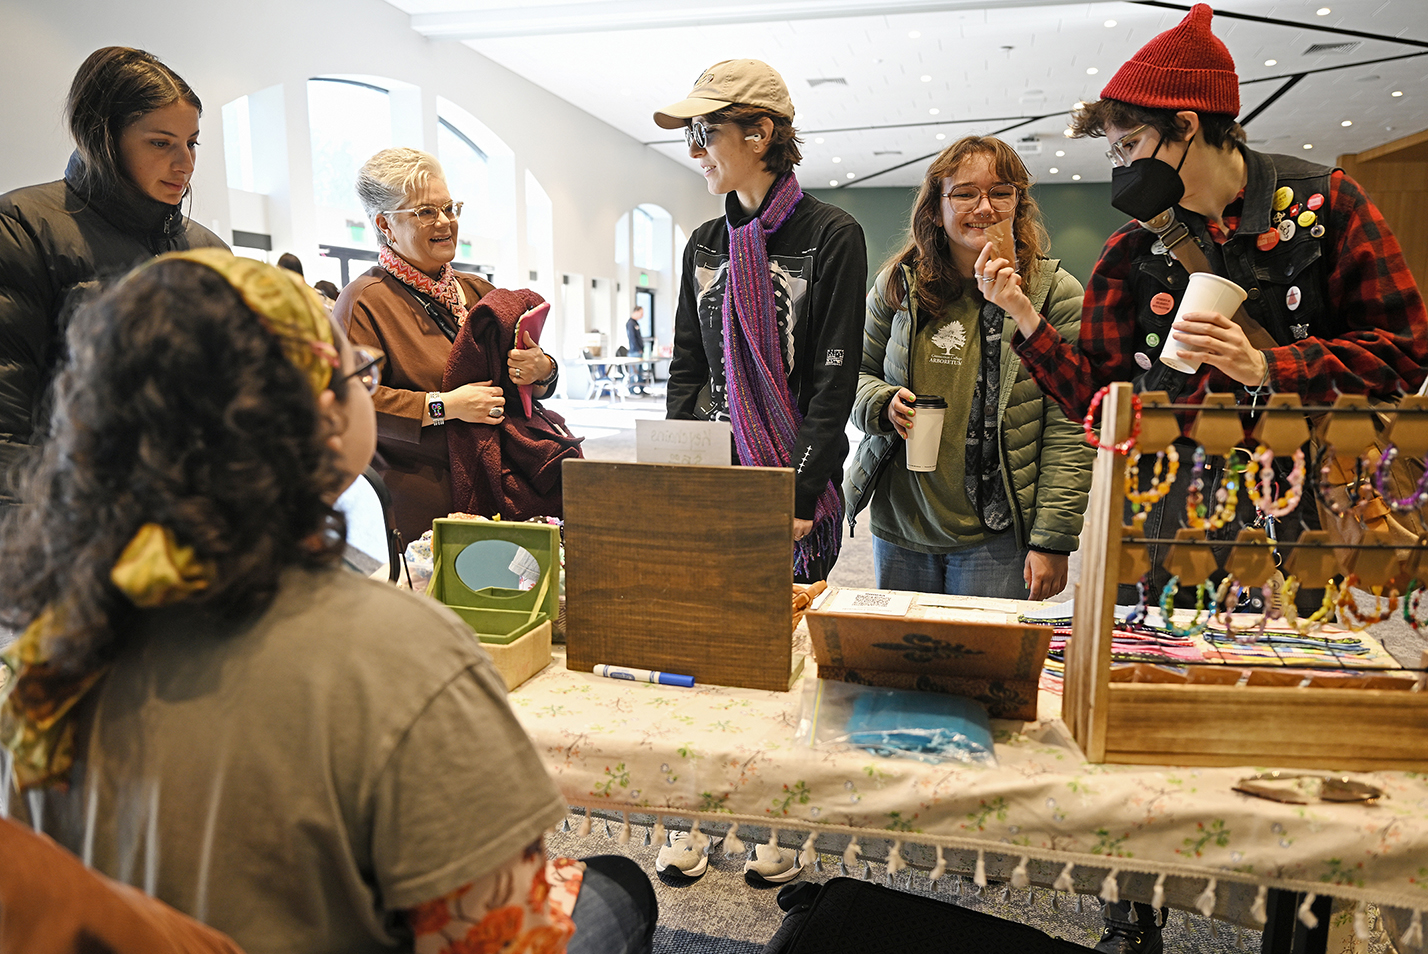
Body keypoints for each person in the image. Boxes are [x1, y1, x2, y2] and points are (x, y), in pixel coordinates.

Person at [0, 250, 655, 954]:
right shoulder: (401, 652)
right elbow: (508, 940)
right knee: (619, 887)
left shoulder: (50, 650)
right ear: (322, 415)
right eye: (360, 375)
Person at [999, 6, 1428, 951]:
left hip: (1299, 528)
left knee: (1288, 729)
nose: (1120, 166)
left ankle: (1297, 917)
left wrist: (1273, 369)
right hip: (1162, 525)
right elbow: (1101, 405)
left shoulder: (1327, 206)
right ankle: (1133, 916)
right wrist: (1027, 318)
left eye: (1130, 142)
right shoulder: (1130, 253)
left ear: (1189, 125)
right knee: (1142, 712)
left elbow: (1406, 351)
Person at [845, 137, 1092, 600]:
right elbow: (851, 375)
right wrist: (880, 404)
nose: (984, 207)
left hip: (996, 534)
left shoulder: (1053, 292)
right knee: (897, 663)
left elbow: (1070, 426)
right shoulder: (899, 283)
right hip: (902, 521)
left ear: (1018, 205)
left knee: (982, 666)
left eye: (1001, 192)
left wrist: (1052, 539)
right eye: (964, 193)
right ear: (936, 209)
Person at [657, 59, 867, 583]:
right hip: (713, 472)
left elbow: (832, 383)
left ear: (759, 134)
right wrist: (678, 465)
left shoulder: (832, 235)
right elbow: (687, 368)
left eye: (704, 132)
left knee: (779, 636)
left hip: (790, 472)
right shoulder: (705, 243)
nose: (693, 151)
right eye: (689, 135)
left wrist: (801, 491)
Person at [0, 46, 225, 508]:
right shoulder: (22, 228)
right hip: (73, 529)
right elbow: (8, 426)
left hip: (194, 525)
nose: (185, 163)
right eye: (161, 143)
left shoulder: (210, 251)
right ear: (104, 138)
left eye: (192, 143)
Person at [335, 147, 576, 542]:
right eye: (425, 212)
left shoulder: (478, 291)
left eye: (449, 207)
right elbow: (355, 403)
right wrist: (446, 407)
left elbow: (532, 385)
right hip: (424, 501)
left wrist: (542, 369)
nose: (446, 221)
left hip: (503, 484)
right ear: (385, 224)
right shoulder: (364, 301)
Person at [626, 305, 649, 395]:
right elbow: (632, 338)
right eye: (641, 313)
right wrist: (638, 349)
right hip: (634, 352)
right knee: (633, 372)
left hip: (639, 351)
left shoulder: (636, 323)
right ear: (636, 312)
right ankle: (631, 390)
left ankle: (641, 388)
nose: (642, 315)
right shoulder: (630, 323)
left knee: (640, 372)